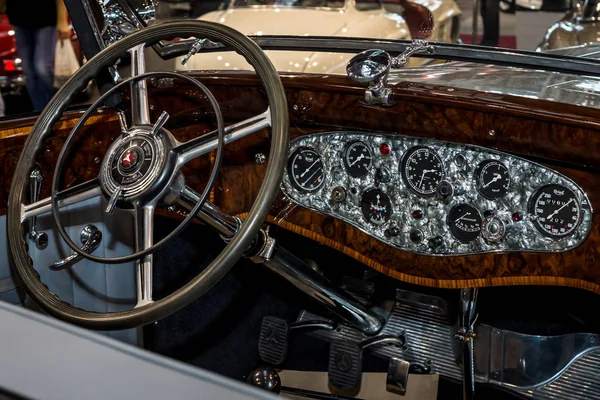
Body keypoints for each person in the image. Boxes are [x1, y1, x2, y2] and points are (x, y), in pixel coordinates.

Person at [4, 0, 70, 111]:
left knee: (42, 68)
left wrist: (62, 21)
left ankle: (58, 106)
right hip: (19, 19)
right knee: (28, 70)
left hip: (46, 18)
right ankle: (40, 112)